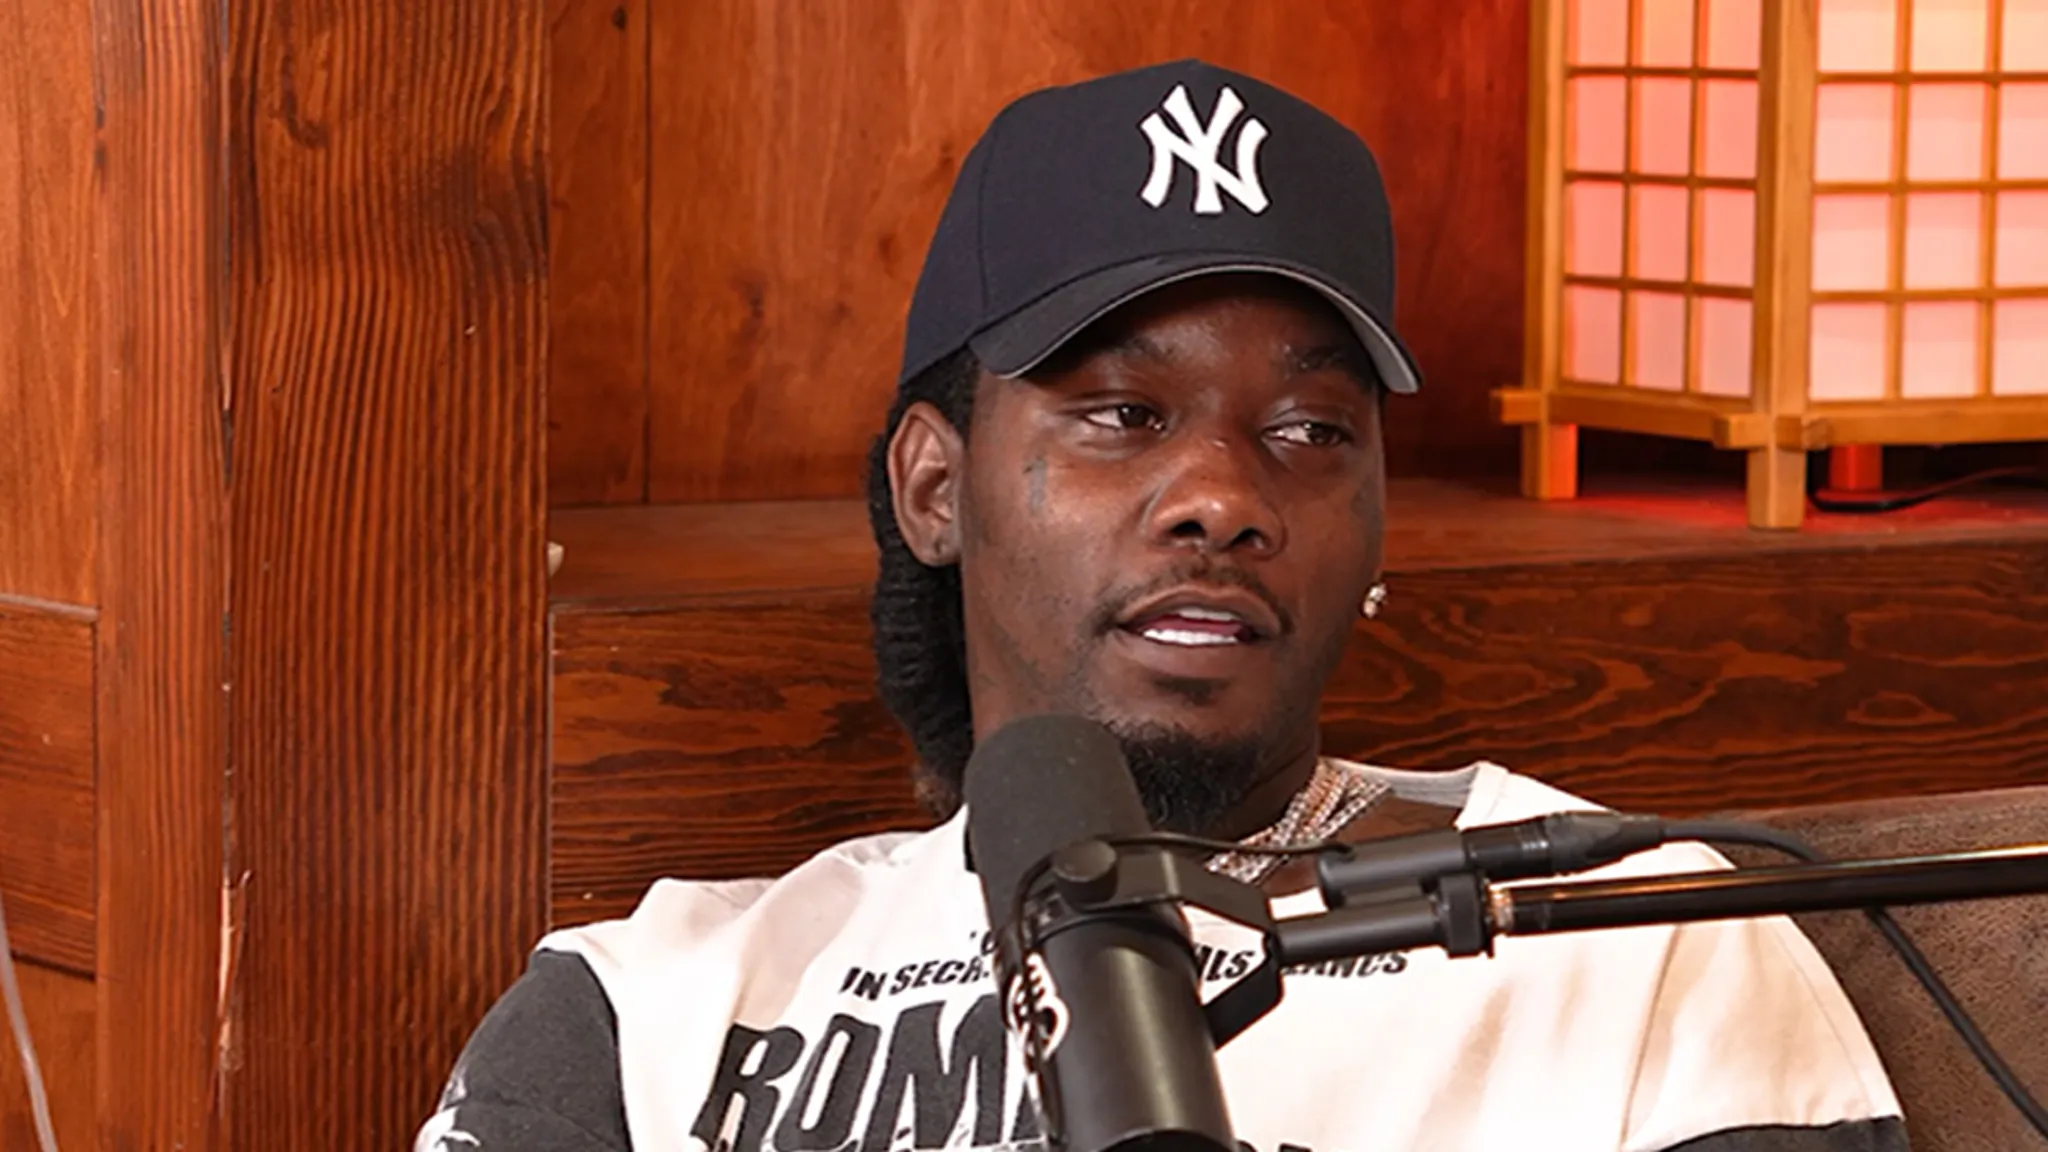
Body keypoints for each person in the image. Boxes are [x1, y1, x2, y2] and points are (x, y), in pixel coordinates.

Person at [417, 60, 1905, 1152]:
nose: (1223, 497)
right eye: (1124, 415)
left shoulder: (1639, 938)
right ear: (937, 490)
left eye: (1310, 431)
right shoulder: (643, 1014)